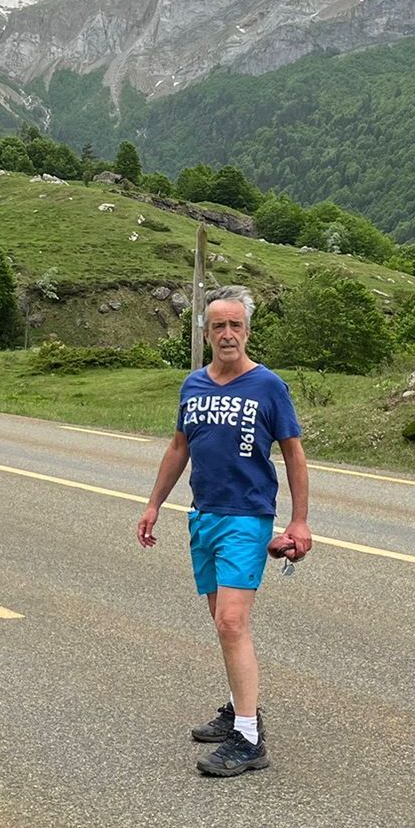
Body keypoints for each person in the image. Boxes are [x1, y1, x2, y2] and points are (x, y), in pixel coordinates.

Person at [137, 285, 311, 777]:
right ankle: (240, 708)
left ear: (248, 331)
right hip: (204, 515)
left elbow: (294, 453)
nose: (228, 334)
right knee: (223, 623)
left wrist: (298, 519)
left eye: (236, 325)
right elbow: (178, 449)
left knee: (232, 622)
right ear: (206, 332)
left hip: (247, 517)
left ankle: (249, 740)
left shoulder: (268, 386)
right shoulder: (193, 385)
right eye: (219, 326)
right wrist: (153, 504)